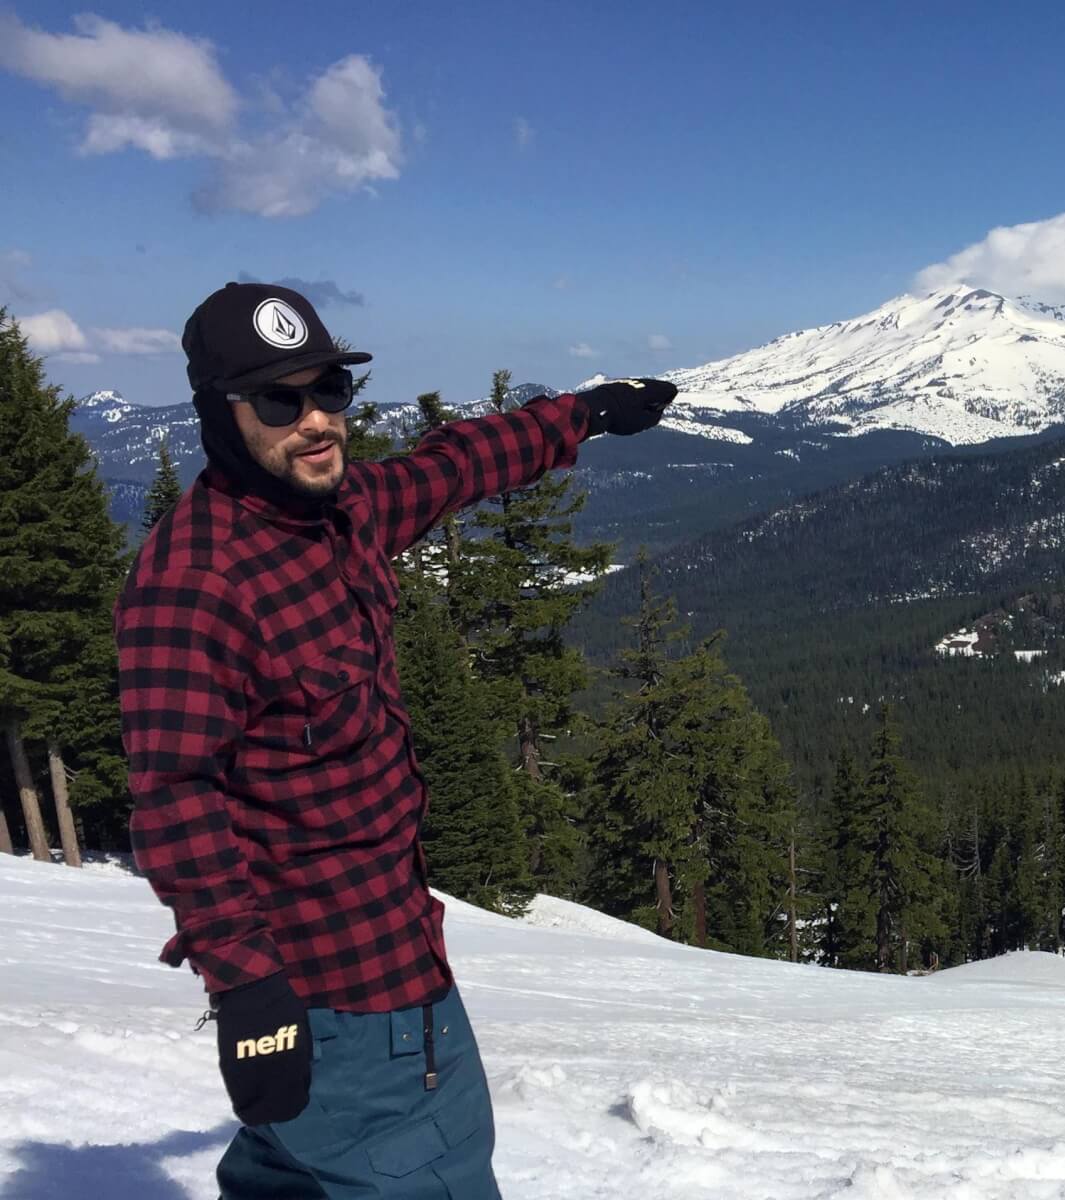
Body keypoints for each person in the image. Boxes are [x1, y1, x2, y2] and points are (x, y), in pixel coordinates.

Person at [113, 281, 677, 1197]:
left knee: (292, 1177)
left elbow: (453, 466)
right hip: (346, 997)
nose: (315, 422)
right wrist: (249, 988)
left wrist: (584, 415)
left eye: (328, 389)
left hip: (387, 954)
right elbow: (175, 798)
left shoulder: (339, 513)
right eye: (278, 400)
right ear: (222, 412)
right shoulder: (195, 583)